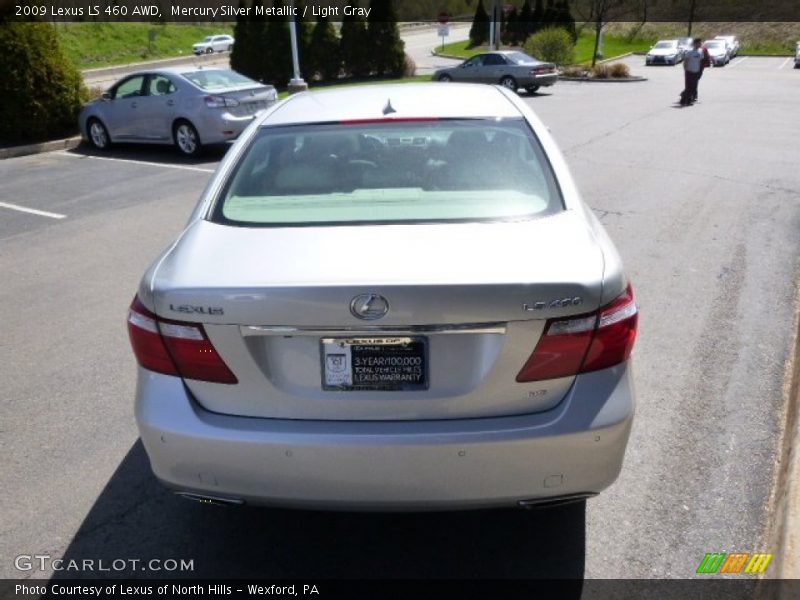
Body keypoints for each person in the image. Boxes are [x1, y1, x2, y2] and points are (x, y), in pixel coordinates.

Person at [680, 38, 709, 106]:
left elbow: (700, 61)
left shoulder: (700, 51)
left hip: (696, 71)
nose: (700, 44)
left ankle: (688, 99)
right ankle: (686, 100)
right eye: (698, 43)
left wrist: (699, 70)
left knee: (694, 86)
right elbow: (685, 61)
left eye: (700, 43)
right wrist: (686, 70)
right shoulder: (689, 51)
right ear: (695, 44)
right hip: (689, 71)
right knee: (688, 86)